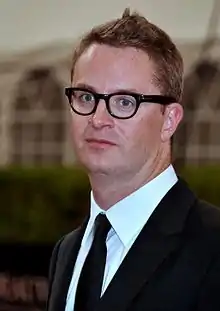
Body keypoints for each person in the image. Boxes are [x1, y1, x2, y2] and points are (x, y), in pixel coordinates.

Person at [46, 8, 220, 311]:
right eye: (86, 97)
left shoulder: (213, 247)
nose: (99, 119)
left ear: (169, 120)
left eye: (125, 102)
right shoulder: (67, 252)